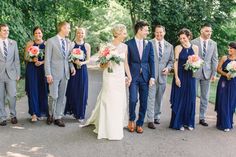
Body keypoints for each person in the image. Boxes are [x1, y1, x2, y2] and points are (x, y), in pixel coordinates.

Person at [82, 24, 132, 140]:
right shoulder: (107, 47)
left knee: (119, 101)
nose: (125, 35)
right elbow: (101, 65)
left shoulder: (125, 47)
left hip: (119, 77)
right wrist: (107, 60)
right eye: (124, 33)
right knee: (109, 100)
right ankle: (106, 128)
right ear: (118, 34)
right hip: (109, 76)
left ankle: (116, 126)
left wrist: (129, 76)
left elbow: (125, 63)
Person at [44, 21, 76, 127]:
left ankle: (58, 117)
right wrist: (48, 74)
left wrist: (71, 67)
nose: (69, 30)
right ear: (62, 28)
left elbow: (68, 58)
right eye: (68, 28)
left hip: (65, 73)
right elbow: (47, 59)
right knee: (53, 95)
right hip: (53, 73)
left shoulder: (68, 42)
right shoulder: (51, 41)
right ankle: (50, 114)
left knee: (62, 96)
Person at [126, 21, 155, 133]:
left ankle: (140, 123)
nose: (147, 32)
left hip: (145, 77)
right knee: (133, 99)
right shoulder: (128, 44)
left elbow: (151, 61)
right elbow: (126, 62)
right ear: (139, 30)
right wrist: (126, 76)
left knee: (144, 101)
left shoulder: (149, 44)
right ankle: (131, 119)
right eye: (146, 30)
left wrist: (152, 76)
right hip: (133, 76)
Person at [169, 28, 199, 131]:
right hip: (180, 74)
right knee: (180, 98)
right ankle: (179, 122)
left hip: (190, 75)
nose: (182, 40)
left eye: (184, 38)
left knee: (190, 99)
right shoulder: (178, 48)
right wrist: (176, 77)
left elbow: (196, 61)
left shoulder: (195, 47)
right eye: (180, 38)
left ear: (189, 37)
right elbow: (176, 62)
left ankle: (189, 122)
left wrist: (194, 66)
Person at [146, 25, 174, 129]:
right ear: (154, 33)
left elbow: (171, 61)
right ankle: (150, 119)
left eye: (161, 32)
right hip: (151, 76)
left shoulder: (169, 46)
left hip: (163, 76)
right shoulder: (149, 43)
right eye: (157, 32)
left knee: (159, 97)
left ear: (164, 33)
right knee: (151, 97)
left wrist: (168, 68)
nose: (159, 34)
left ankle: (157, 115)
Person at [191, 23, 218, 126]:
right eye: (207, 31)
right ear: (201, 31)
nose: (209, 33)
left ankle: (202, 117)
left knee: (205, 97)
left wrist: (214, 73)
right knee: (192, 95)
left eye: (210, 31)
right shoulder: (193, 42)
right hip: (195, 73)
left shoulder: (213, 44)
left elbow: (214, 60)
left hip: (207, 73)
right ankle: (191, 116)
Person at [65, 27, 90, 122]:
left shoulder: (87, 45)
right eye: (78, 33)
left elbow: (88, 59)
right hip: (73, 71)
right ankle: (75, 111)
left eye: (82, 33)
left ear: (84, 34)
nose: (80, 35)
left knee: (82, 91)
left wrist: (81, 63)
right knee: (73, 91)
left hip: (82, 70)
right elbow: (68, 58)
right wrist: (73, 65)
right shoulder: (71, 44)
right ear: (76, 34)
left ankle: (81, 114)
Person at [25, 26, 48, 122]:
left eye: (39, 33)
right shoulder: (30, 43)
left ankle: (41, 112)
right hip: (32, 69)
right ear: (33, 34)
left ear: (42, 34)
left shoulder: (47, 44)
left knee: (42, 90)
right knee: (32, 90)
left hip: (42, 69)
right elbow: (26, 57)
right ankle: (34, 113)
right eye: (36, 33)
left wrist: (42, 62)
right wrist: (32, 59)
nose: (38, 35)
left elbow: (50, 58)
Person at [0, 23, 20, 126]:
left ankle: (13, 115)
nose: (6, 32)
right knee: (0, 97)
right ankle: (2, 117)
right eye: (4, 30)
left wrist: (18, 73)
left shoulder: (13, 43)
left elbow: (16, 60)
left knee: (12, 95)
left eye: (7, 30)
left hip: (11, 74)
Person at [215, 41, 236, 132]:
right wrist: (225, 74)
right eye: (228, 48)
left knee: (231, 103)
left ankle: (229, 122)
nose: (229, 49)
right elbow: (218, 69)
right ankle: (223, 124)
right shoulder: (224, 58)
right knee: (223, 101)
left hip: (234, 82)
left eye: (231, 48)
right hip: (223, 82)